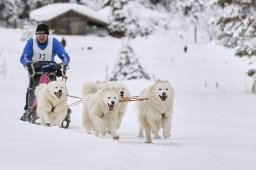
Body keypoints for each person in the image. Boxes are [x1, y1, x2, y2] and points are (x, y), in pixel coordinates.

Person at [20, 23, 71, 127]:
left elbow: (64, 55)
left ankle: (56, 109)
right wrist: (28, 64)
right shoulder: (31, 42)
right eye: (39, 35)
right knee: (33, 88)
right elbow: (24, 57)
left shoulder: (53, 42)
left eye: (43, 35)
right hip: (35, 69)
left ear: (47, 35)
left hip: (50, 69)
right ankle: (31, 107)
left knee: (54, 90)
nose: (41, 38)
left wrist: (64, 63)